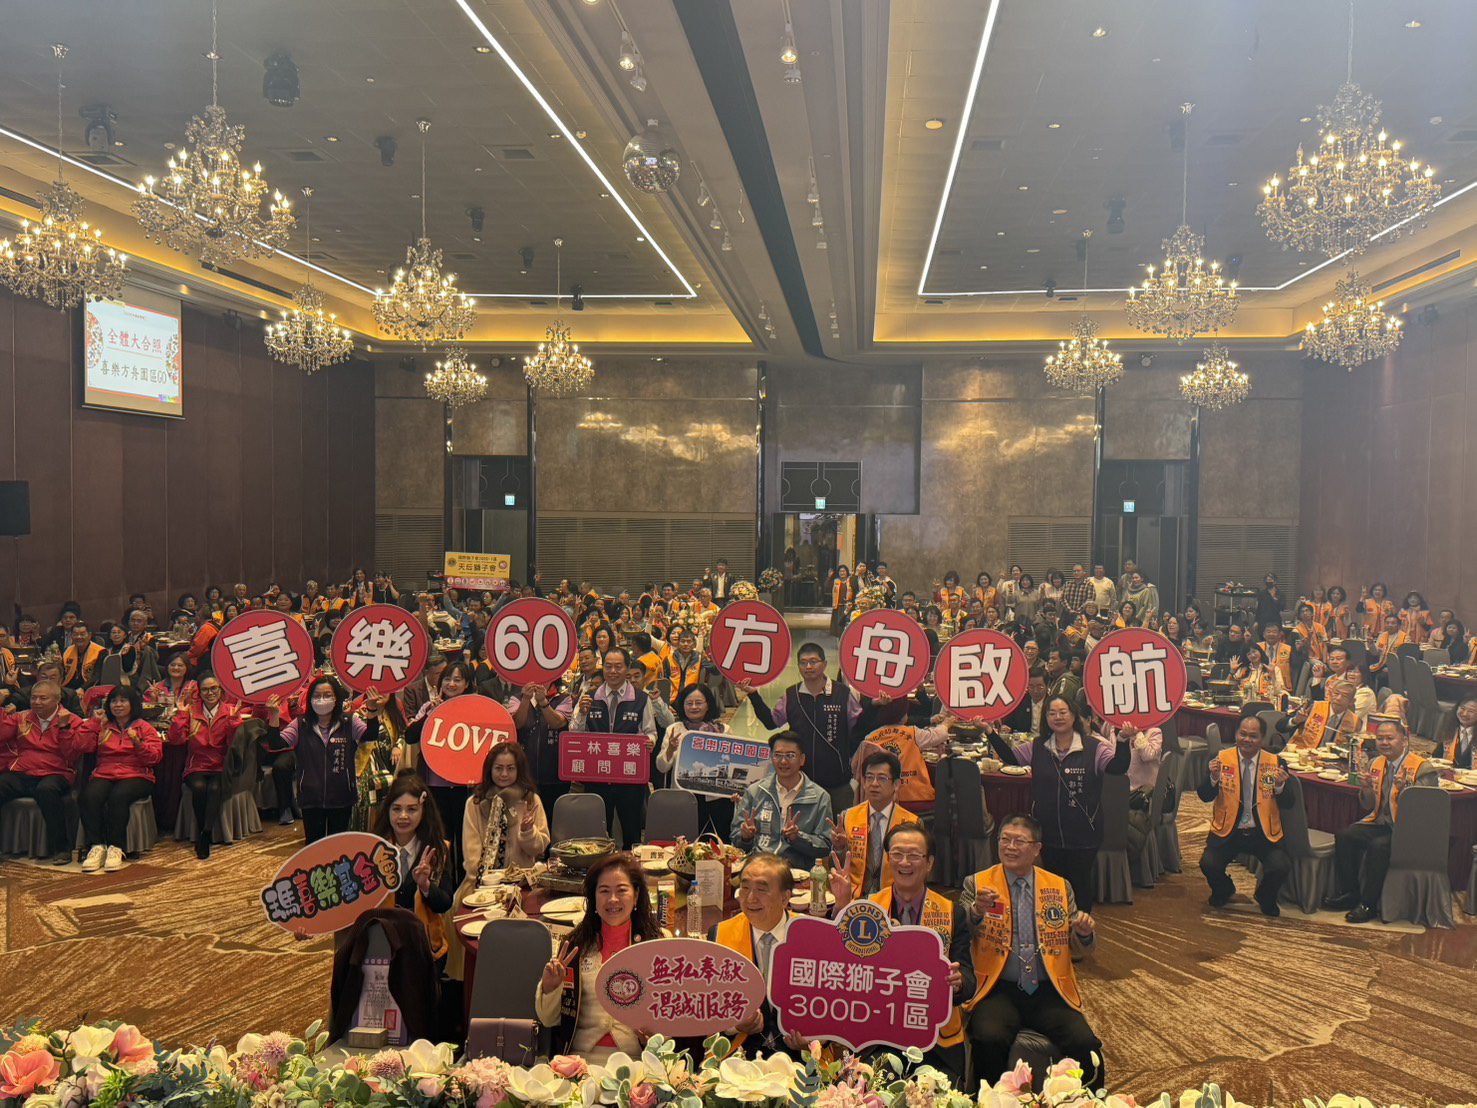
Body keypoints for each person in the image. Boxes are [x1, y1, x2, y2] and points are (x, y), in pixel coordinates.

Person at [961, 814, 1103, 1090]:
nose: (1010, 847)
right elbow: (961, 930)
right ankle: (988, 1101)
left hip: (1048, 988)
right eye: (1005, 839)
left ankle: (1088, 1103)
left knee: (1085, 1043)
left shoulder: (1059, 886)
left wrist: (1084, 934)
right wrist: (976, 910)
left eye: (1019, 841)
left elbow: (1076, 948)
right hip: (997, 986)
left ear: (1037, 848)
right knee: (988, 1038)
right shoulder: (977, 884)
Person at [831, 826, 972, 1084]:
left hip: (935, 1036)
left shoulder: (953, 912)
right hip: (878, 1031)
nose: (904, 862)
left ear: (929, 863)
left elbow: (968, 979)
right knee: (870, 1089)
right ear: (888, 859)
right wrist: (842, 907)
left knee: (939, 1094)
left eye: (914, 855)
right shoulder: (868, 907)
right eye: (897, 854)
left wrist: (959, 981)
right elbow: (842, 967)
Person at [989, 696, 1130, 912]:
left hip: (1084, 834)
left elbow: (1118, 767)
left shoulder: (1094, 748)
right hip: (1048, 833)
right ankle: (1055, 926)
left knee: (1080, 886)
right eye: (1052, 713)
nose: (1058, 717)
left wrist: (1122, 740)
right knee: (1052, 886)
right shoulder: (1038, 747)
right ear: (1046, 718)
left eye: (1063, 712)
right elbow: (1011, 758)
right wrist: (989, 732)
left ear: (1073, 715)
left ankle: (1080, 926)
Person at [536, 851, 662, 1061]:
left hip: (636, 1060)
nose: (612, 899)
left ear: (636, 895)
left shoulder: (657, 945)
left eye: (621, 890)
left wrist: (654, 1036)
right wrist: (550, 988)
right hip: (579, 1061)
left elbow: (670, 1018)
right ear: (593, 898)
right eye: (604, 891)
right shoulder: (575, 947)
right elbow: (549, 1020)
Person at [1323, 719, 1440, 923]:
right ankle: (1350, 893)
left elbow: (1425, 811)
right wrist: (1366, 788)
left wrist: (1406, 791)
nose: (1384, 743)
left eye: (1389, 738)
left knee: (1379, 846)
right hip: (1381, 822)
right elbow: (1368, 805)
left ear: (1404, 741)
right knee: (1345, 836)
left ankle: (1368, 905)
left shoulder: (1422, 768)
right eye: (1380, 738)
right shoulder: (1376, 763)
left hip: (1408, 830)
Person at [741, 642, 864, 813]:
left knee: (840, 824)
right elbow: (771, 722)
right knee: (800, 824)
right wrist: (753, 694)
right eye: (803, 662)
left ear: (824, 664)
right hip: (801, 782)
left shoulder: (842, 694)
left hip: (837, 782)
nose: (808, 667)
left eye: (813, 661)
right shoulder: (791, 695)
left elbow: (858, 728)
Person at [709, 853, 807, 1058]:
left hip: (799, 1057)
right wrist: (734, 1025)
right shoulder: (720, 935)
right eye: (745, 888)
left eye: (761, 889)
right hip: (739, 1056)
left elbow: (831, 1009)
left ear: (785, 898)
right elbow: (707, 1008)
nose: (750, 898)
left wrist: (813, 1039)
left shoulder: (811, 935)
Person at [1196, 712, 1293, 916]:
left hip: (1262, 831)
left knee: (1281, 866)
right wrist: (1213, 778)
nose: (1247, 739)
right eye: (1243, 734)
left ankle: (1265, 896)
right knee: (1208, 863)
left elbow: (1289, 803)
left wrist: (1280, 786)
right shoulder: (1221, 759)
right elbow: (1204, 796)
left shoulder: (1275, 763)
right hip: (1229, 829)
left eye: (1253, 736)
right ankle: (1224, 889)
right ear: (1236, 734)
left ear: (1262, 739)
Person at [266, 676, 383, 842]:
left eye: (327, 695)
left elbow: (371, 735)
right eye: (316, 696)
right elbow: (276, 744)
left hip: (342, 796)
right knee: (314, 846)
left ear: (336, 698)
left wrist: (372, 709)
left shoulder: (349, 722)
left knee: (338, 846)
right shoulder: (301, 724)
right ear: (309, 699)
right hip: (311, 797)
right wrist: (274, 715)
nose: (321, 700)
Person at [569, 647, 657, 849]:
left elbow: (650, 731)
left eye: (618, 666)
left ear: (627, 668)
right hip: (597, 775)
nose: (613, 671)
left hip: (629, 776)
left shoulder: (641, 699)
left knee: (632, 831)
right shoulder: (589, 697)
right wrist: (582, 713)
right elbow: (575, 733)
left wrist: (650, 741)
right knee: (598, 833)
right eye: (608, 666)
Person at [73, 685, 162, 873]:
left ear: (133, 704)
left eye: (123, 701)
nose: (118, 705)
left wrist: (138, 743)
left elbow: (154, 758)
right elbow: (82, 746)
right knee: (88, 796)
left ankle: (116, 847)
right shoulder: (103, 726)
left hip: (137, 774)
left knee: (119, 796)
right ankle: (97, 846)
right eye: (114, 701)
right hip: (105, 772)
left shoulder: (144, 728)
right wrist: (93, 722)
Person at [373, 772, 455, 962]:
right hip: (383, 949)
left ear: (423, 811)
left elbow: (445, 903)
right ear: (387, 810)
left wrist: (426, 886)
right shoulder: (373, 851)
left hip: (424, 950)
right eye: (396, 809)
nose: (403, 816)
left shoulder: (437, 850)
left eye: (411, 809)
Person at [0, 679, 82, 864]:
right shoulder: (22, 717)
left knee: (46, 790)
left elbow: (72, 754)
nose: (36, 702)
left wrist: (64, 728)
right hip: (25, 771)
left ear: (57, 700)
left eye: (43, 698)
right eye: (33, 698)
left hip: (57, 773)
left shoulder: (72, 720)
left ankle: (62, 848)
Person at [731, 731, 833, 869]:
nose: (783, 761)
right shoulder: (755, 791)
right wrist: (745, 838)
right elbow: (735, 839)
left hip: (797, 871)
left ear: (802, 759)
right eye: (778, 755)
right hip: (758, 867)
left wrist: (797, 838)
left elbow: (825, 845)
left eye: (790, 755)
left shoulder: (820, 797)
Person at [832, 751, 921, 898]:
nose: (874, 784)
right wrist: (840, 848)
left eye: (881, 778)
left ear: (896, 784)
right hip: (854, 899)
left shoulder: (911, 823)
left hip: (894, 899)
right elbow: (838, 867)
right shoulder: (848, 817)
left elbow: (918, 871)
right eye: (869, 777)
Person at [655, 683, 733, 838]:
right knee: (685, 842)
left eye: (699, 703)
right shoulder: (674, 730)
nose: (694, 707)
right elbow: (662, 767)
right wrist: (670, 749)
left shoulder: (723, 730)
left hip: (716, 799)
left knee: (716, 843)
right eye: (689, 703)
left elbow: (730, 765)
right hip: (684, 798)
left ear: (708, 705)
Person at [1282, 681, 1359, 751]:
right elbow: (1280, 726)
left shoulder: (1355, 722)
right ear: (1330, 694)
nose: (1339, 698)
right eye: (1336, 693)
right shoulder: (1312, 706)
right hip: (1300, 755)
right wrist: (1295, 720)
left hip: (1331, 760)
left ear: (1352, 701)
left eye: (1345, 696)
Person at [1434, 694, 1477, 769]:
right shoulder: (1449, 729)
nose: (1465, 714)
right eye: (1462, 708)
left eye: (1471, 711)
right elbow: (1436, 757)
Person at [1003, 669, 1049, 736]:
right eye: (1031, 686)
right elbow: (1009, 723)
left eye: (1039, 687)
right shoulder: (1020, 701)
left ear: (1047, 686)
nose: (1035, 691)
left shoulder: (1052, 703)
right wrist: (1006, 728)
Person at [62, 622, 103, 690]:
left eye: (82, 634)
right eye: (75, 634)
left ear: (89, 635)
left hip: (90, 688)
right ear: (71, 636)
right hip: (68, 687)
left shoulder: (101, 652)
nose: (79, 637)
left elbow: (97, 677)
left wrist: (82, 689)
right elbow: (63, 674)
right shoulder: (67, 651)